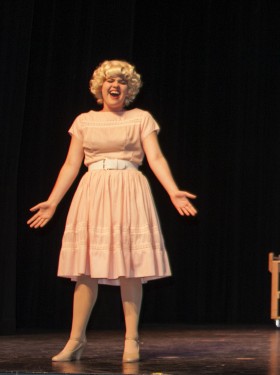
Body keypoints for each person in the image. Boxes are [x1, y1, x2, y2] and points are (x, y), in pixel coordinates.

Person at [28, 60, 197, 362]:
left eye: (121, 80)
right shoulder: (84, 121)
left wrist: (173, 191)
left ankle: (131, 339)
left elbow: (155, 158)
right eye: (109, 80)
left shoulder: (141, 118)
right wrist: (53, 201)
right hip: (93, 189)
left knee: (130, 266)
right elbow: (70, 164)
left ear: (128, 88)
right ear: (100, 86)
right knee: (85, 269)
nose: (114, 85)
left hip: (129, 188)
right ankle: (75, 340)